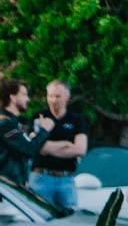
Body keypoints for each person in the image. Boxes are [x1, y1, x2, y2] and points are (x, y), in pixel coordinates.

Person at [0, 77, 50, 190]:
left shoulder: (11, 123)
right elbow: (28, 150)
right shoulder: (5, 125)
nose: (28, 99)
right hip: (6, 187)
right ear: (12, 97)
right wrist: (44, 130)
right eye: (24, 95)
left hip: (10, 186)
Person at [32, 79, 89, 214]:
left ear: (67, 97)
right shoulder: (40, 118)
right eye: (50, 96)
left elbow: (80, 149)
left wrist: (48, 147)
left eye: (58, 96)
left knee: (70, 220)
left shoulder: (76, 120)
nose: (53, 100)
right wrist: (67, 144)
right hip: (41, 178)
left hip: (66, 180)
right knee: (39, 216)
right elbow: (37, 147)